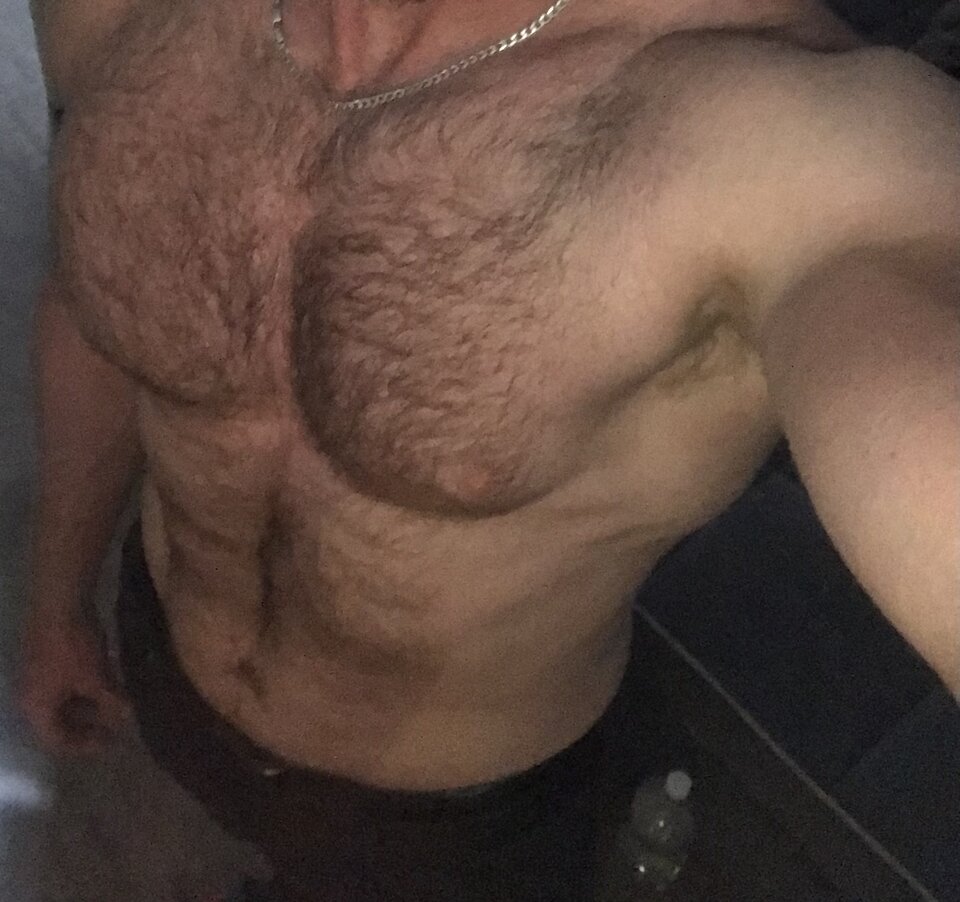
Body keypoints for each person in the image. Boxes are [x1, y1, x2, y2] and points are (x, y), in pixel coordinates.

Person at [19, 0, 960, 899]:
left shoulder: (796, 134)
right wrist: (58, 594)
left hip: (447, 821)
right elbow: (99, 297)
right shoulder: (123, 15)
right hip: (162, 664)